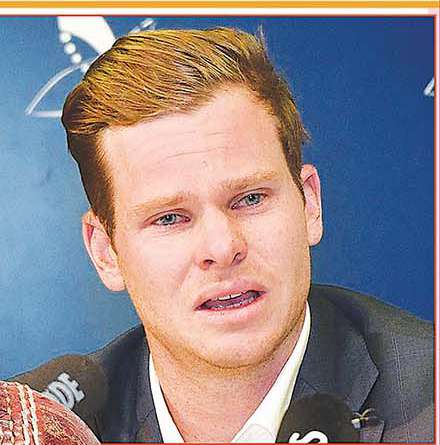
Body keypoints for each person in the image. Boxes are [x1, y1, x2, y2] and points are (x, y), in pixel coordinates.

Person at [59, 27, 433, 442]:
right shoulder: (45, 428)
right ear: (106, 252)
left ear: (309, 204)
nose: (222, 248)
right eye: (169, 218)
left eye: (250, 199)